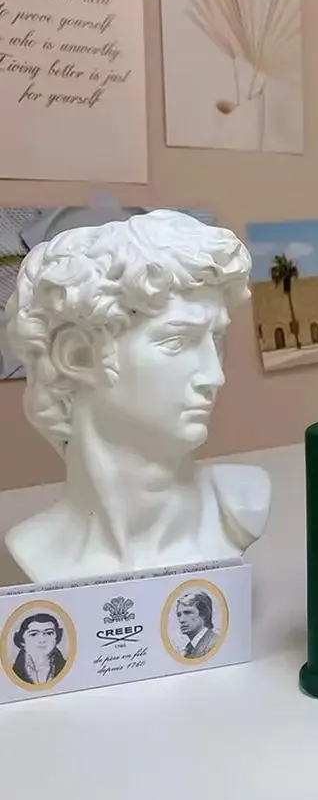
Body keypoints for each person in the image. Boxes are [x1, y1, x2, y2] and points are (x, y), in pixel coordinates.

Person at [2, 210, 271, 583]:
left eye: (217, 340)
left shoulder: (241, 505)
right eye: (177, 341)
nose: (215, 376)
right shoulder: (33, 551)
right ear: (78, 356)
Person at [11, 612, 67, 685]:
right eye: (33, 634)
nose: (42, 640)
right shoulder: (14, 672)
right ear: (22, 641)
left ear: (57, 637)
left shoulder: (64, 667)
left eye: (49, 633)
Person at [174, 591, 218, 659]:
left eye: (187, 613)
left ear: (203, 614)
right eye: (179, 615)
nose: (181, 620)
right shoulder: (188, 649)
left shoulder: (214, 643)